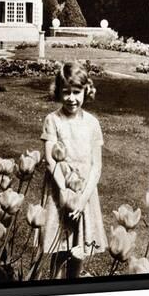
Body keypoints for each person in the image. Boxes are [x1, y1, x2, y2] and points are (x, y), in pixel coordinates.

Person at [40, 61, 107, 279]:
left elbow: (96, 166)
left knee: (78, 250)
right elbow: (51, 160)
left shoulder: (92, 123)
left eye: (76, 92)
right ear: (58, 92)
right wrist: (65, 192)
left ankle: (74, 286)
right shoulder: (53, 120)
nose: (71, 98)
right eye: (66, 92)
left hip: (85, 193)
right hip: (60, 191)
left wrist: (83, 198)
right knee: (59, 247)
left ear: (85, 91)